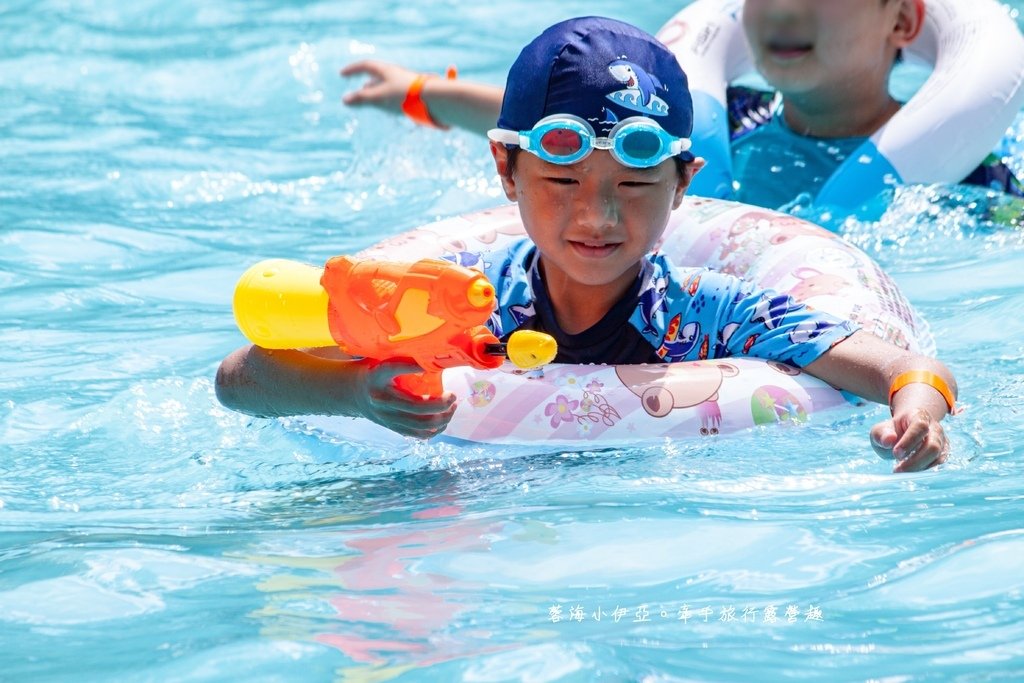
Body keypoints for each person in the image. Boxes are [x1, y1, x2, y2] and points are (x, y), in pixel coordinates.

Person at [218, 17, 958, 472]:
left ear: (682, 184)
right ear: (506, 171)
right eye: (562, 181)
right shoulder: (457, 303)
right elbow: (239, 378)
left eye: (634, 186)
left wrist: (919, 407)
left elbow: (901, 364)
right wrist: (353, 392)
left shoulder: (705, 315)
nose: (597, 215)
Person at [340, 0, 1023, 212]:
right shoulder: (735, 121)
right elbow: (569, 132)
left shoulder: (977, 180)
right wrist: (422, 94)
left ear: (902, 21)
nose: (784, 9)